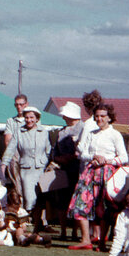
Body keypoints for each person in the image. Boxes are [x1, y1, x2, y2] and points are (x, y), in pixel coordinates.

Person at [68, 103, 127, 251]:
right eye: (97, 116)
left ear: (109, 118)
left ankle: (103, 241)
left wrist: (107, 160)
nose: (99, 119)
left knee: (105, 206)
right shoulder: (91, 133)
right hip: (90, 171)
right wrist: (93, 156)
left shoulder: (115, 134)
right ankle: (85, 239)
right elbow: (83, 154)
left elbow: (124, 157)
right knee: (81, 201)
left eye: (103, 116)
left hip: (107, 173)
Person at [1, 106, 50, 212]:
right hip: (26, 169)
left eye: (32, 117)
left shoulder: (44, 132)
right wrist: (4, 165)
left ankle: (39, 225)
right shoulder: (19, 132)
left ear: (37, 118)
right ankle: (26, 220)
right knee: (29, 198)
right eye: (26, 118)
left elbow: (48, 150)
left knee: (41, 198)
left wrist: (49, 163)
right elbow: (10, 149)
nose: (29, 120)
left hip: (42, 169)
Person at [49, 101, 84, 240]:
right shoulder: (61, 132)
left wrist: (71, 157)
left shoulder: (83, 128)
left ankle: (76, 232)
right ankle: (63, 231)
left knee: (76, 201)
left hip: (78, 170)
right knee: (62, 202)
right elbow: (54, 152)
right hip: (63, 171)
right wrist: (58, 159)